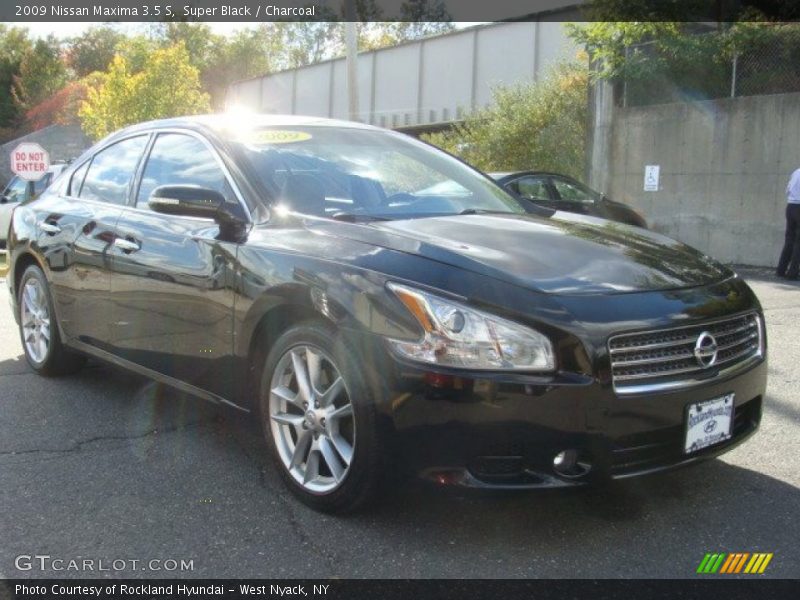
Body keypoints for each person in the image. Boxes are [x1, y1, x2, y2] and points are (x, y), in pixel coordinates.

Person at [777, 167, 800, 280]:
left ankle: (781, 270)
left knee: (789, 240)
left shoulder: (796, 172)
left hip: (790, 206)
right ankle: (793, 273)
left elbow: (787, 190)